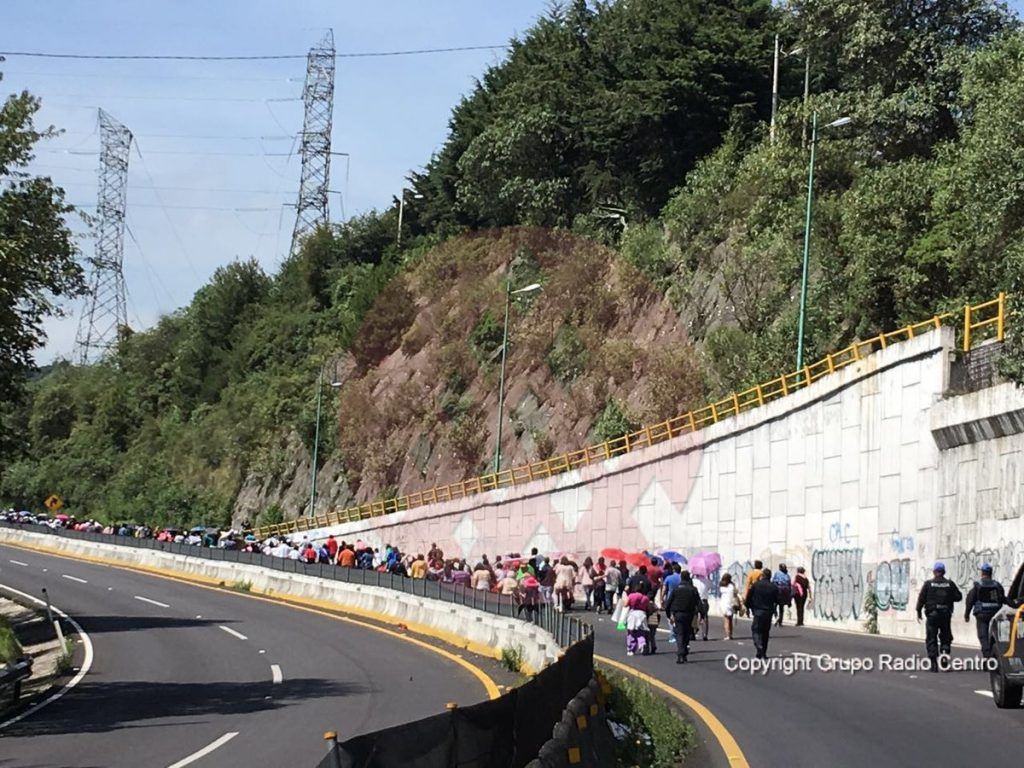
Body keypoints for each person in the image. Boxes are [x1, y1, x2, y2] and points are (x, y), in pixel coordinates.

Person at [915, 561, 963, 672]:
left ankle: (933, 663)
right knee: (945, 636)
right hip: (945, 615)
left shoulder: (928, 584)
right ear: (944, 572)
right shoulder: (949, 584)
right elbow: (958, 597)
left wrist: (918, 612)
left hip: (932, 615)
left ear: (934, 572)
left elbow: (921, 599)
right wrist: (948, 596)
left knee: (931, 638)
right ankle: (945, 654)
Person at [964, 562, 1006, 658]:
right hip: (995, 614)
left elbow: (970, 600)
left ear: (982, 573)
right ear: (991, 573)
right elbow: (1002, 598)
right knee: (995, 636)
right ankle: (995, 655)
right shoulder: (997, 585)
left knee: (983, 637)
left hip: (982, 615)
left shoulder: (978, 585)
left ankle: (987, 657)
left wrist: (967, 614)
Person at [664, 570, 701, 664]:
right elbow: (698, 603)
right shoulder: (693, 590)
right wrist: (702, 614)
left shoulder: (676, 589)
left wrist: (668, 614)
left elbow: (668, 603)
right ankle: (683, 651)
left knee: (679, 633)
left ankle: (681, 653)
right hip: (689, 614)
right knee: (687, 633)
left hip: (678, 614)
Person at [745, 567, 779, 659]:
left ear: (762, 576)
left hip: (758, 611)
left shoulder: (756, 585)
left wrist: (747, 607)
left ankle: (759, 646)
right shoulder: (773, 587)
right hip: (768, 612)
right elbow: (778, 600)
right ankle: (762, 653)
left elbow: (749, 597)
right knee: (765, 632)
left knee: (756, 630)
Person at [625, 591, 650, 656]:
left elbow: (626, 605)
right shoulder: (646, 598)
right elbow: (648, 607)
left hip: (633, 614)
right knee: (641, 632)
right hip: (642, 614)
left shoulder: (631, 596)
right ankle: (642, 643)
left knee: (631, 632)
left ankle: (631, 649)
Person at [719, 573, 739, 640]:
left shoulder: (722, 587)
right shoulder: (732, 586)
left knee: (726, 620)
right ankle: (730, 634)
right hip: (731, 603)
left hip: (724, 603)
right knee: (730, 620)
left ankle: (727, 634)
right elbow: (736, 593)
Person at [693, 571, 710, 640]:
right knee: (704, 617)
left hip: (695, 600)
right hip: (704, 600)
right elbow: (709, 588)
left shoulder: (693, 581)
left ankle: (694, 632)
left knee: (694, 616)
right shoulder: (707, 581)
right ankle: (705, 634)